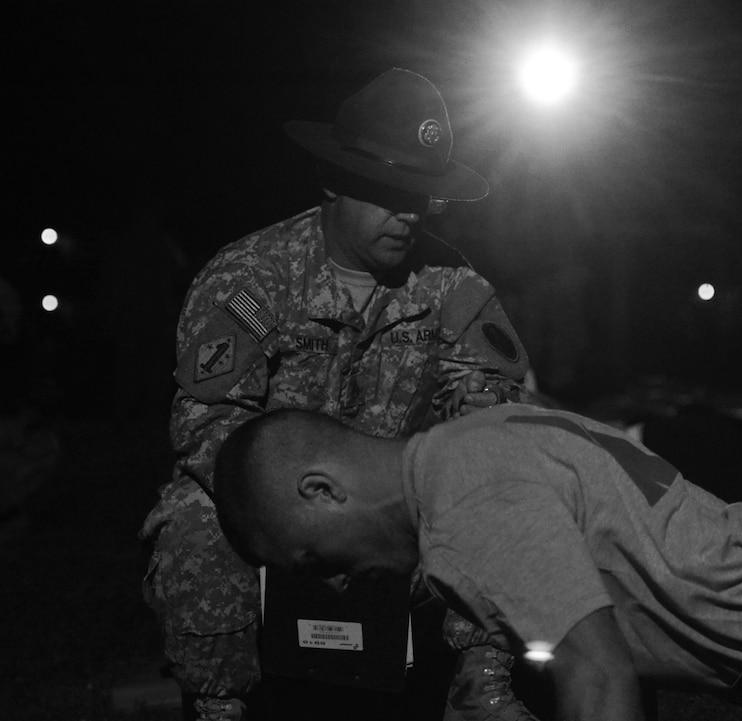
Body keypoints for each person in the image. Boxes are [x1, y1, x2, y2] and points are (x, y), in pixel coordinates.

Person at [213, 405, 742, 721]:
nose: (333, 581)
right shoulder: (476, 438)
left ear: (319, 489)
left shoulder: (464, 507)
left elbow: (600, 679)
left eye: (310, 559)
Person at [138, 68, 535, 721]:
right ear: (334, 181)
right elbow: (209, 425)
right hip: (273, 511)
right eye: (388, 191)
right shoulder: (256, 278)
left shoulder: (452, 285)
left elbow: (494, 410)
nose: (407, 212)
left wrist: (423, 494)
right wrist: (301, 514)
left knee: (507, 483)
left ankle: (481, 685)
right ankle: (221, 703)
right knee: (192, 520)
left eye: (420, 195)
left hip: (399, 511)